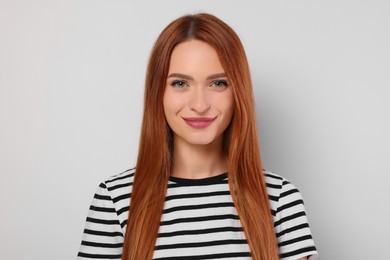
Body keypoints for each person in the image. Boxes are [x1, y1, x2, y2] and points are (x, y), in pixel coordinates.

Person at [78, 13, 318, 260]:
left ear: (239, 92)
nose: (200, 104)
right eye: (180, 83)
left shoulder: (279, 199)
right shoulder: (115, 198)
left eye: (218, 84)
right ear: (157, 93)